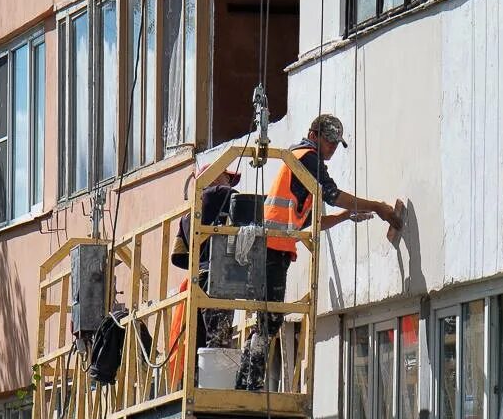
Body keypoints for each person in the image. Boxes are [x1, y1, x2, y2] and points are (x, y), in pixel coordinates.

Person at [236, 113, 402, 391]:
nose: (332, 150)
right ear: (314, 136)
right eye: (329, 143)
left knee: (269, 318)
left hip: (274, 248)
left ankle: (247, 381)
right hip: (271, 248)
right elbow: (332, 194)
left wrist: (346, 216)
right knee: (271, 317)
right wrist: (376, 206)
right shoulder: (307, 157)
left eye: (336, 145)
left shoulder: (303, 166)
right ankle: (249, 383)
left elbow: (313, 220)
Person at [168, 164, 240, 388]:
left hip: (196, 280)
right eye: (226, 178)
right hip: (217, 278)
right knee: (218, 338)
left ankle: (197, 384)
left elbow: (179, 256)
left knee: (198, 338)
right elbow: (244, 204)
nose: (229, 184)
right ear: (214, 179)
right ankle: (216, 389)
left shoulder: (188, 215)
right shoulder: (219, 193)